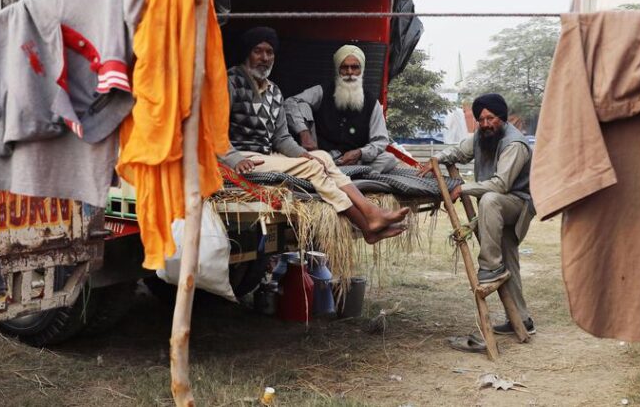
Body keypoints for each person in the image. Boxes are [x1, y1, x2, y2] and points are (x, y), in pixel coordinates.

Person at [222, 27, 409, 243]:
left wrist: (304, 153)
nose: (264, 58)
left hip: (267, 156)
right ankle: (366, 223)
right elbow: (211, 131)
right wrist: (235, 158)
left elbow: (281, 139)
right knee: (313, 166)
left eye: (269, 52)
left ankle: (369, 214)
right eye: (258, 51)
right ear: (247, 53)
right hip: (240, 159)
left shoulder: (274, 91)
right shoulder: (229, 82)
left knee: (322, 158)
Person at [420, 93, 536, 334]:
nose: (485, 124)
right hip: (494, 209)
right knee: (510, 262)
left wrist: (464, 188)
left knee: (491, 199)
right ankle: (522, 320)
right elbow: (457, 153)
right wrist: (436, 160)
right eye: (481, 119)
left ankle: (491, 267)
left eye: (490, 118)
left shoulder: (514, 144)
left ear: (502, 118)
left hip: (517, 204)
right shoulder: (481, 137)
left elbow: (501, 185)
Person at [285, 44, 398, 172]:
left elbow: (381, 141)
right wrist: (304, 134)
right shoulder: (321, 91)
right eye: (344, 67)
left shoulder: (372, 102)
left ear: (362, 70)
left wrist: (360, 153)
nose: (350, 72)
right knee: (301, 104)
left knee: (389, 159)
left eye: (355, 67)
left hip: (352, 161)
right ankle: (346, 174)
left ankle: (338, 173)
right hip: (320, 156)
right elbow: (290, 102)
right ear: (338, 70)